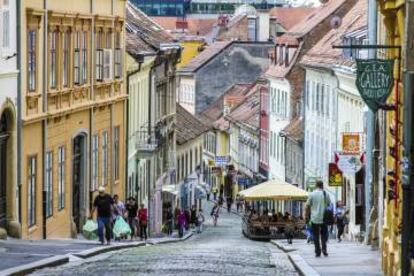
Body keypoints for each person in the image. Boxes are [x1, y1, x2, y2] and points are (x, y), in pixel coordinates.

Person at [305, 180, 331, 257]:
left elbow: (307, 206)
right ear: (322, 185)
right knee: (324, 235)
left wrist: (306, 216)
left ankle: (317, 251)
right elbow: (329, 204)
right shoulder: (326, 193)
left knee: (315, 235)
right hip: (324, 218)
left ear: (316, 185)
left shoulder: (312, 194)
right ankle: (324, 249)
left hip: (314, 218)